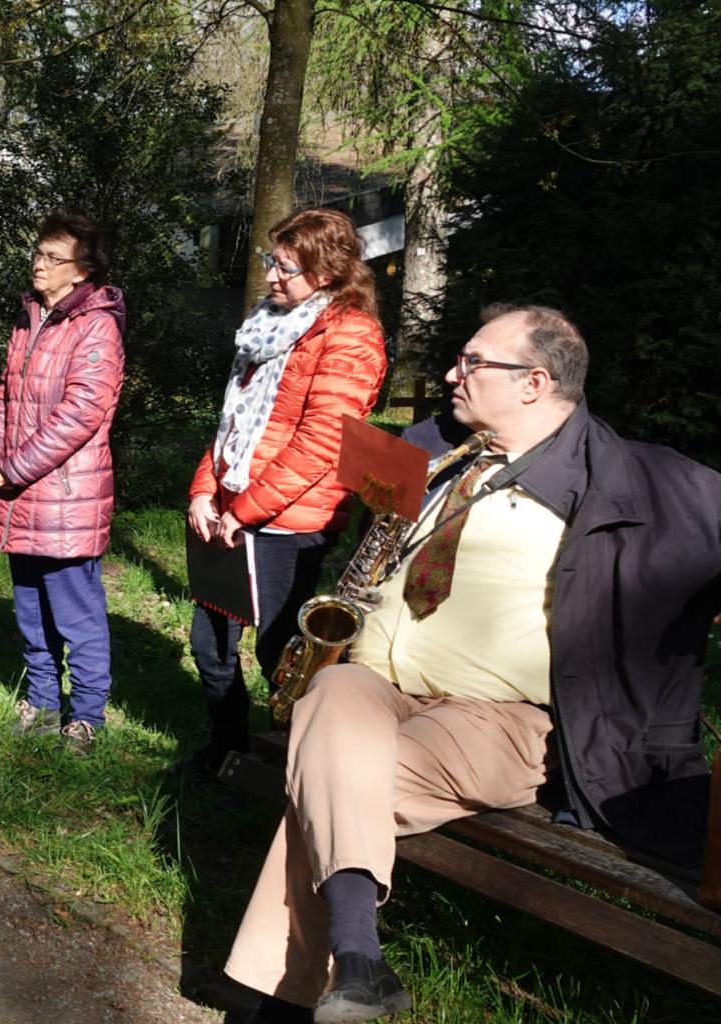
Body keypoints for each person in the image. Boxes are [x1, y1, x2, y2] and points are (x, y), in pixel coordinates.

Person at [225, 305, 721, 1023]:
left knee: (327, 779)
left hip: (505, 722)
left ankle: (314, 979)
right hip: (374, 690)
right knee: (329, 695)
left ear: (535, 382)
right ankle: (358, 967)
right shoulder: (449, 456)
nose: (452, 374)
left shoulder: (625, 478)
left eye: (473, 362)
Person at [183, 208, 387, 778]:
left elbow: (324, 442)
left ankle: (297, 769)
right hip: (230, 511)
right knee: (210, 643)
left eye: (286, 267)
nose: (272, 276)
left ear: (326, 273)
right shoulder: (268, 322)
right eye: (271, 261)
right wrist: (206, 491)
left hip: (291, 521)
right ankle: (228, 749)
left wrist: (245, 510)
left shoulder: (351, 334)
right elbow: (232, 423)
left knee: (280, 653)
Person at [0, 212, 126, 754]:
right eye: (38, 254)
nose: (39, 265)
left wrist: (15, 466)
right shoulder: (30, 317)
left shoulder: (96, 323)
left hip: (67, 494)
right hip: (22, 491)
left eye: (53, 258)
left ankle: (85, 716)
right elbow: (7, 394)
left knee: (75, 613)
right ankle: (41, 702)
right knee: (29, 608)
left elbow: (81, 413)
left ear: (83, 271)